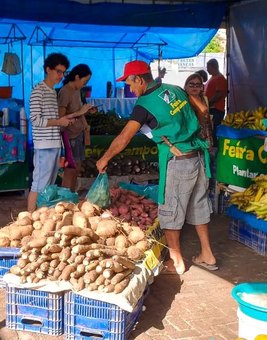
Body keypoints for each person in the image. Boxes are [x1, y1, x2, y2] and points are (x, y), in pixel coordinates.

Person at [96, 60, 217, 274]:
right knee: (199, 205)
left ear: (139, 79)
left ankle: (176, 261)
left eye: (130, 83)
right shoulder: (175, 89)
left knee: (170, 209)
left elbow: (124, 137)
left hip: (178, 161)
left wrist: (104, 158)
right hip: (197, 156)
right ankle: (207, 254)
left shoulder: (144, 105)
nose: (130, 89)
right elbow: (202, 109)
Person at [27, 53, 74, 212]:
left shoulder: (52, 92)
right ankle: (30, 219)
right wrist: (59, 122)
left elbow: (52, 119)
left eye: (64, 72)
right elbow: (35, 120)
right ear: (48, 69)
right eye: (58, 71)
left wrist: (66, 119)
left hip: (54, 144)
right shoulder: (37, 91)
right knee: (39, 185)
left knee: (49, 186)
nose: (61, 76)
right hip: (44, 146)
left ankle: (41, 218)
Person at [58, 64, 95, 192]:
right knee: (70, 170)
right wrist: (79, 113)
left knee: (77, 168)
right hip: (69, 136)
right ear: (77, 77)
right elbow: (60, 118)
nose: (85, 84)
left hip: (78, 134)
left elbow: (78, 110)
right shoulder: (64, 92)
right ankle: (65, 198)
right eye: (85, 81)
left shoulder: (77, 90)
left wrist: (86, 111)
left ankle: (71, 196)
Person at [184, 73, 213, 148]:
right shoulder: (183, 101)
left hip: (206, 133)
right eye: (191, 85)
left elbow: (207, 115)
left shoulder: (204, 99)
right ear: (185, 86)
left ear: (201, 87)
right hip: (192, 135)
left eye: (198, 85)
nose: (195, 87)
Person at [204, 58, 227, 146]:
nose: (207, 69)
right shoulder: (213, 77)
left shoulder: (219, 78)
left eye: (208, 67)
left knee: (214, 131)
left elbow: (219, 93)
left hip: (216, 109)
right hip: (212, 109)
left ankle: (216, 149)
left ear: (213, 67)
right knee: (211, 131)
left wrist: (208, 103)